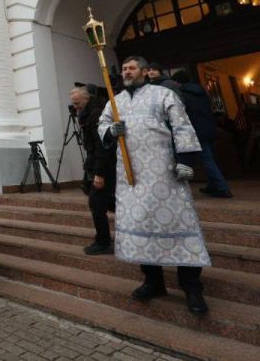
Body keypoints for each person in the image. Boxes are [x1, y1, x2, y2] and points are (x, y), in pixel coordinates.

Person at [98, 56, 211, 315]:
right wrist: (109, 131)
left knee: (178, 224)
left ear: (145, 71)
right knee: (142, 224)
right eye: (124, 68)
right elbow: (101, 124)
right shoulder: (115, 101)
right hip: (131, 177)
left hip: (164, 173)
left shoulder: (163, 94)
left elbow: (182, 126)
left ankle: (192, 286)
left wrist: (185, 159)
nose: (127, 72)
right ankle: (153, 281)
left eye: (132, 68)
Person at [171, 70, 232, 199]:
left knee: (206, 158)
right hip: (209, 127)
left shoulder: (183, 94)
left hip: (198, 128)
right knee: (209, 157)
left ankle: (222, 188)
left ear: (177, 82)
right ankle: (212, 185)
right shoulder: (200, 91)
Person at [70, 86, 115, 256]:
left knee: (96, 203)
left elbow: (101, 145)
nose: (75, 107)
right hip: (95, 163)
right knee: (98, 199)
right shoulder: (86, 113)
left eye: (77, 103)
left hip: (102, 164)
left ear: (86, 99)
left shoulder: (96, 114)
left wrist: (99, 173)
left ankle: (103, 241)